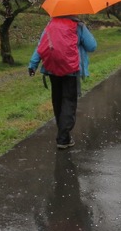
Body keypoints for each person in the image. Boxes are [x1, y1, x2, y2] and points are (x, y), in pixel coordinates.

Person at [28, 15, 97, 149]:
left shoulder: (50, 25)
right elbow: (92, 46)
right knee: (69, 102)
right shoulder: (78, 25)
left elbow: (40, 46)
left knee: (58, 101)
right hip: (71, 70)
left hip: (52, 69)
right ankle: (63, 138)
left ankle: (63, 134)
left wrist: (33, 64)